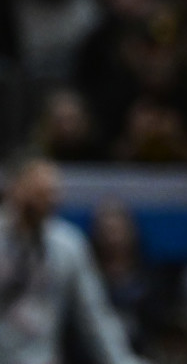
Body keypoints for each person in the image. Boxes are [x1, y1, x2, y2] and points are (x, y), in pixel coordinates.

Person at [0, 153, 148, 364]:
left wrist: (123, 360)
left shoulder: (68, 245)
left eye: (51, 192)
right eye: (39, 192)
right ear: (15, 187)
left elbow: (95, 316)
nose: (48, 199)